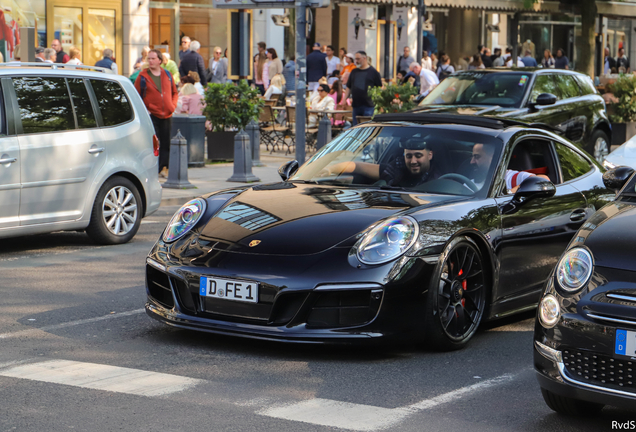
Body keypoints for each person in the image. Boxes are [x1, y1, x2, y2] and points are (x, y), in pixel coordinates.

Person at [323, 138, 442, 188]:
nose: (413, 161)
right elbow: (356, 166)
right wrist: (330, 170)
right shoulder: (396, 169)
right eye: (408, 156)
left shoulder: (439, 180)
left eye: (418, 156)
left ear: (430, 155)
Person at [135, 49, 178, 178]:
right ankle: (154, 168)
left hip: (167, 114)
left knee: (166, 142)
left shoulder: (168, 75)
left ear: (160, 60)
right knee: (154, 143)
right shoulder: (142, 76)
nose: (150, 61)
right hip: (151, 115)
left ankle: (164, 168)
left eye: (153, 58)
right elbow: (137, 96)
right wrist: (145, 110)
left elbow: (174, 92)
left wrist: (172, 106)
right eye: (149, 59)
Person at [470, 143, 549, 193]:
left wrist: (510, 193)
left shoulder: (512, 178)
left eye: (477, 157)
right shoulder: (468, 184)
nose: (472, 162)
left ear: (493, 158)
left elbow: (543, 179)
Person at [340, 51, 382, 125]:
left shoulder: (373, 72)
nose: (356, 61)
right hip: (356, 105)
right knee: (356, 127)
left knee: (367, 127)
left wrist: (379, 104)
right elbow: (349, 87)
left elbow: (379, 88)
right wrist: (344, 100)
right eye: (355, 59)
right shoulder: (354, 72)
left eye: (358, 59)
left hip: (368, 105)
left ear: (364, 58)